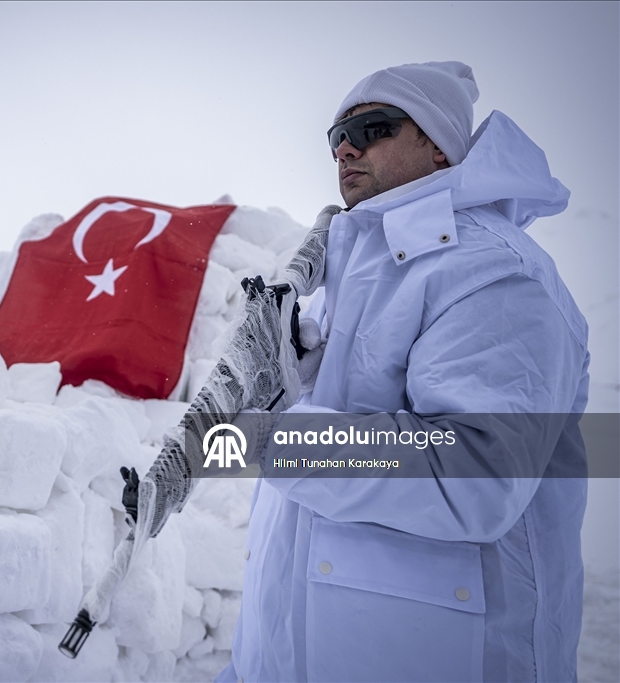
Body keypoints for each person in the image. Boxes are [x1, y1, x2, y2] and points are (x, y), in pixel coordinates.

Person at [217, 62, 589, 682]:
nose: (345, 147)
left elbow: (472, 473)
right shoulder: (349, 278)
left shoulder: (493, 272)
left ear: (439, 147)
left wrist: (274, 440)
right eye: (335, 134)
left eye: (373, 127)